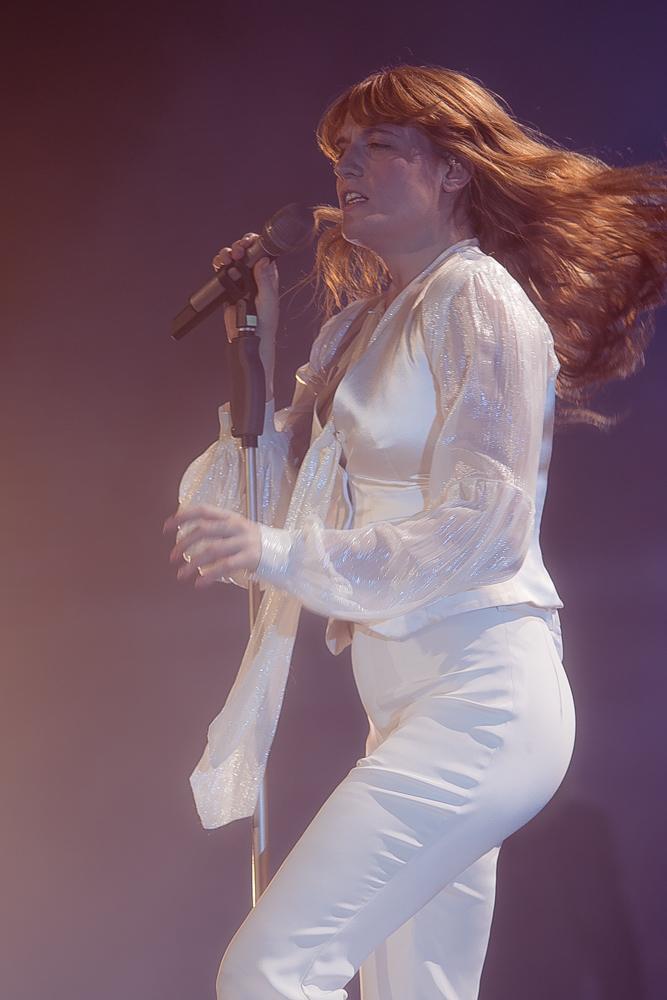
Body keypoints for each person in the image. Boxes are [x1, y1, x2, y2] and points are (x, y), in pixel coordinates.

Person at [165, 66, 667, 1000]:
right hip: (402, 706)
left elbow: (483, 524)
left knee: (271, 969)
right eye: (339, 153)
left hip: (481, 700)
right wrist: (257, 342)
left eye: (378, 147)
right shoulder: (355, 328)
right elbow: (274, 505)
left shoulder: (475, 299)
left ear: (451, 172)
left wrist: (274, 553)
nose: (346, 167)